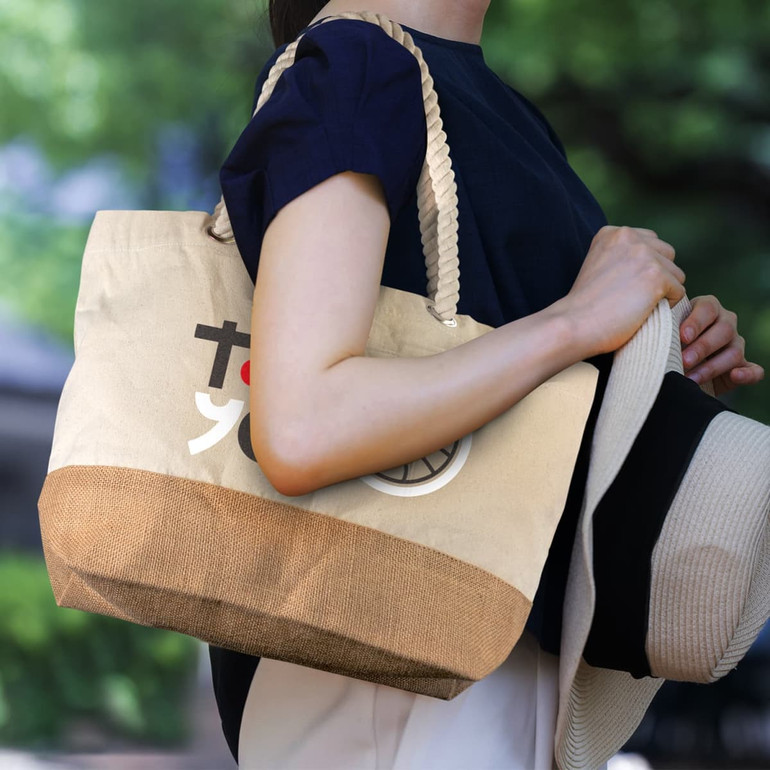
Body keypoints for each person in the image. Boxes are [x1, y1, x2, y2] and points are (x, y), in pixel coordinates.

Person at [208, 0, 765, 767]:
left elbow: (516, 389)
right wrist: (575, 322)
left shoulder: (486, 101)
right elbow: (305, 425)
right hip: (388, 663)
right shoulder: (358, 67)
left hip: (473, 646)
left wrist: (648, 370)